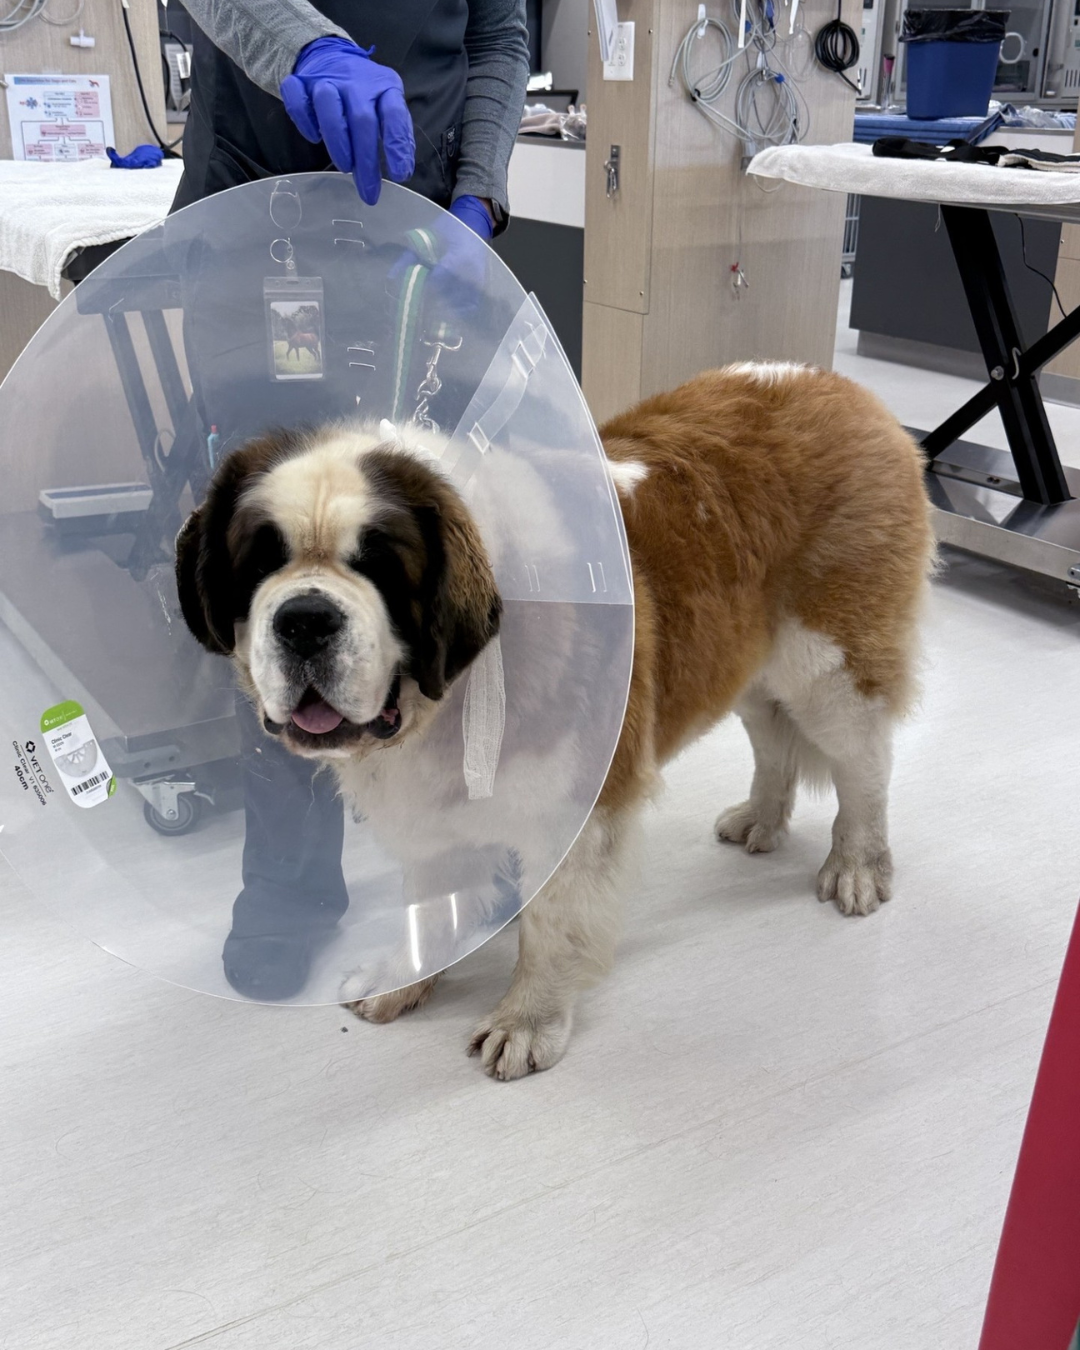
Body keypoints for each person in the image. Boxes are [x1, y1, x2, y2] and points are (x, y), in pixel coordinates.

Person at [171, 0, 530, 998]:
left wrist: (479, 192)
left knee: (438, 575)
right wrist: (305, 47)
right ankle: (289, 888)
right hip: (260, 222)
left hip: (424, 245)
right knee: (278, 569)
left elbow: (500, 30)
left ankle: (476, 857)